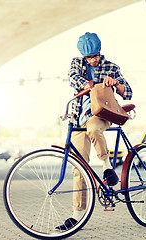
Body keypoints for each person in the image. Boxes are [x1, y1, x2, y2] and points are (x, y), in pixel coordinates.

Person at [56, 32, 133, 230]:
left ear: (100, 51)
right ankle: (76, 216)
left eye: (96, 55)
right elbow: (73, 78)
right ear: (83, 56)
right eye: (89, 57)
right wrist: (89, 84)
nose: (93, 60)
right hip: (77, 118)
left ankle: (108, 167)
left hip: (101, 115)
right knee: (78, 168)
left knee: (93, 128)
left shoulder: (111, 67)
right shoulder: (77, 64)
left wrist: (115, 83)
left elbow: (128, 91)